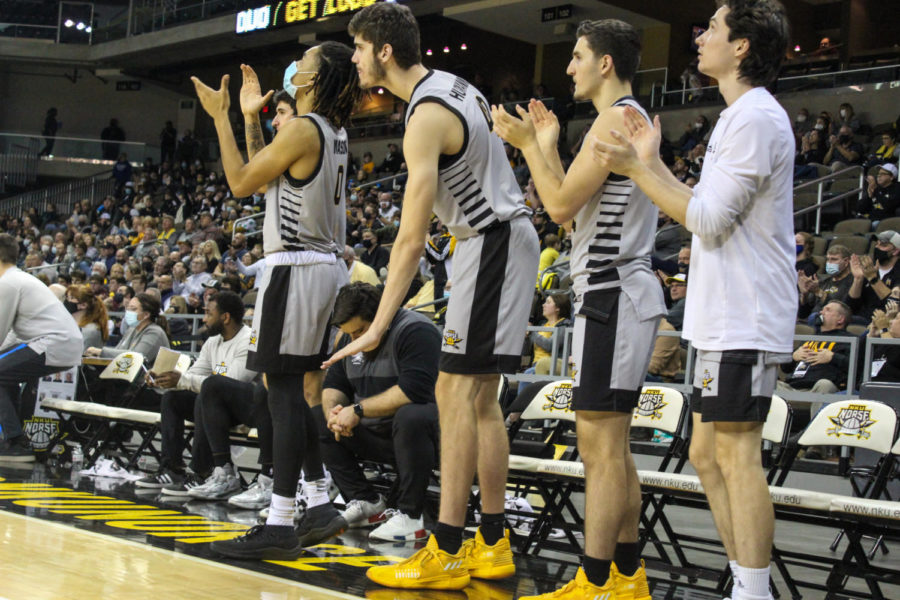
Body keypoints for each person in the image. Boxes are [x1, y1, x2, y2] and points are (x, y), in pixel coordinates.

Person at [330, 3, 539, 591]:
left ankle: (446, 547)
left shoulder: (423, 115)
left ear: (384, 51)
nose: (354, 57)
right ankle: (491, 541)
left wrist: (378, 323)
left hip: (490, 241)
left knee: (454, 393)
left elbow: (411, 236)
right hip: (494, 239)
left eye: (359, 47)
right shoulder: (453, 85)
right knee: (478, 401)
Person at [592, 2, 794, 600]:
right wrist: (650, 163)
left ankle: (753, 592)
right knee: (706, 454)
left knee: (735, 454)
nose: (700, 35)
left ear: (742, 48)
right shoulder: (740, 116)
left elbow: (704, 219)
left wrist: (635, 168)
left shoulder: (756, 118)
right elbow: (702, 203)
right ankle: (744, 582)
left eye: (713, 27)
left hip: (747, 313)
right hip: (722, 315)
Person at [492, 18, 665, 599]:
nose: (569, 66)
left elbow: (560, 206)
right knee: (610, 447)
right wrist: (545, 148)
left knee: (599, 445)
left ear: (606, 64)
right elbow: (575, 199)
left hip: (615, 292)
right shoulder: (621, 118)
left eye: (577, 56)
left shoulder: (614, 119)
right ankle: (624, 576)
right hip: (613, 292)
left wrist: (526, 148)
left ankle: (595, 582)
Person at [191, 40, 364, 559]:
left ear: (313, 80)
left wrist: (221, 118)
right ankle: (317, 505)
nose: (295, 66)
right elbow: (272, 179)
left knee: (281, 396)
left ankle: (281, 521)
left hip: (296, 271)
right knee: (290, 393)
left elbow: (243, 182)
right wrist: (250, 119)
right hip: (318, 270)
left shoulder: (307, 129)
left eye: (304, 62)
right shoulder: (331, 130)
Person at [321, 283, 440, 541]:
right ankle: (366, 502)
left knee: (412, 415)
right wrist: (335, 414)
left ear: (380, 318)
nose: (355, 341)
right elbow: (333, 385)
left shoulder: (416, 330)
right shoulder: (348, 338)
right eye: (349, 334)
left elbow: (414, 391)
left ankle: (411, 516)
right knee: (319, 419)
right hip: (378, 433)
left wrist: (359, 410)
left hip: (427, 438)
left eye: (361, 332)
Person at [137, 292, 263, 498]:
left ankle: (201, 471)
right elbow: (193, 376)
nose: (204, 319)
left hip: (244, 408)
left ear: (225, 317)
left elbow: (232, 382)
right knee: (173, 398)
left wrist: (183, 380)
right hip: (216, 408)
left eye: (208, 313)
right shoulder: (213, 342)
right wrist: (164, 379)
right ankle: (172, 469)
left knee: (206, 393)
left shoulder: (248, 340)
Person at [0, 234, 83, 461]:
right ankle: (14, 440)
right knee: (5, 376)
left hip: (53, 342)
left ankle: (14, 440)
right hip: (60, 342)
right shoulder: (20, 279)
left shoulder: (8, 282)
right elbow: (11, 334)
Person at [85, 293, 170, 364]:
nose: (128, 312)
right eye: (128, 308)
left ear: (146, 315)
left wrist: (101, 352)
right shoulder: (132, 329)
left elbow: (137, 357)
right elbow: (118, 350)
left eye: (133, 309)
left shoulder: (154, 333)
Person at [65, 283, 109, 351]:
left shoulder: (90, 330)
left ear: (83, 305)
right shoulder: (69, 325)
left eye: (71, 298)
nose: (67, 301)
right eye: (67, 297)